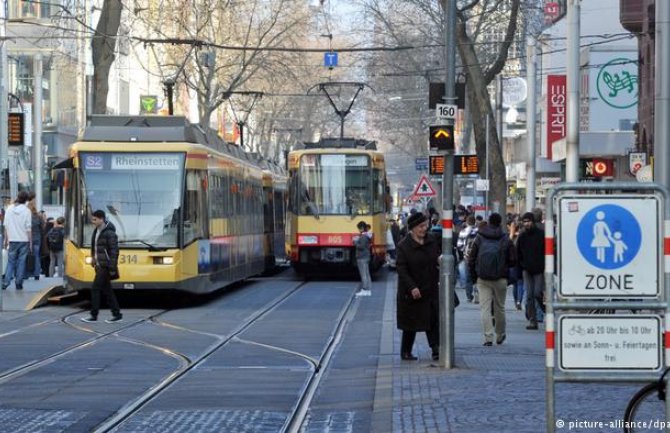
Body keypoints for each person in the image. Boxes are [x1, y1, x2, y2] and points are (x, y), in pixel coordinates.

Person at [395, 212, 440, 361]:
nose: (424, 229)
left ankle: (436, 349)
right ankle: (406, 351)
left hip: (430, 287)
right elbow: (401, 269)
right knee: (411, 323)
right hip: (411, 291)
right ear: (413, 228)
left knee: (432, 320)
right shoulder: (403, 246)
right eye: (421, 226)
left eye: (425, 226)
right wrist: (412, 287)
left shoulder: (432, 240)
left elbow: (437, 258)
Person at [468, 212, 515, 346]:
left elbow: (471, 259)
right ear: (500, 223)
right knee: (499, 307)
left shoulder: (480, 237)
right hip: (500, 278)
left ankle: (488, 337)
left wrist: (474, 277)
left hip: (483, 278)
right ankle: (500, 335)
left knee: (485, 308)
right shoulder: (505, 238)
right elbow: (513, 260)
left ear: (488, 222)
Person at [81, 210, 123, 323]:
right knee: (108, 291)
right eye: (92, 219)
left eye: (95, 219)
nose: (92, 221)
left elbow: (114, 251)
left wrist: (112, 266)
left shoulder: (109, 233)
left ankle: (93, 315)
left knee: (95, 288)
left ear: (101, 219)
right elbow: (95, 248)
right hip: (99, 265)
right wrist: (93, 261)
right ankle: (117, 314)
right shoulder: (96, 231)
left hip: (105, 266)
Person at [516, 212, 545, 330]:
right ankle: (533, 320)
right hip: (526, 269)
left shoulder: (541, 235)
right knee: (529, 295)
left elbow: (546, 251)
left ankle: (544, 309)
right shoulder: (522, 237)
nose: (526, 224)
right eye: (524, 222)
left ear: (533, 222)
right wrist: (521, 267)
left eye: (528, 221)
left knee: (537, 293)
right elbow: (518, 253)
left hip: (539, 269)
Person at [2, 191, 32, 290]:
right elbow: (28, 229)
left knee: (11, 262)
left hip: (12, 239)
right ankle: (19, 283)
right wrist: (30, 242)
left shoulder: (9, 209)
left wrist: (6, 240)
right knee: (21, 262)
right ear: (26, 200)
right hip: (23, 240)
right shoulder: (27, 211)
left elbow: (6, 226)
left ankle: (6, 282)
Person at [354, 220, 372, 297]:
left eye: (359, 228)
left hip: (362, 257)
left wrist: (355, 242)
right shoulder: (367, 236)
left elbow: (361, 247)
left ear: (362, 228)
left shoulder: (363, 237)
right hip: (366, 256)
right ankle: (368, 290)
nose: (358, 230)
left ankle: (365, 289)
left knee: (363, 274)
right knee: (367, 274)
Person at [27, 200, 44, 280]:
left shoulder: (26, 216)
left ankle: (26, 274)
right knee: (36, 256)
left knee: (26, 256)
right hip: (37, 238)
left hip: (27, 238)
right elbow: (42, 227)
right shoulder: (39, 216)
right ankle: (36, 274)